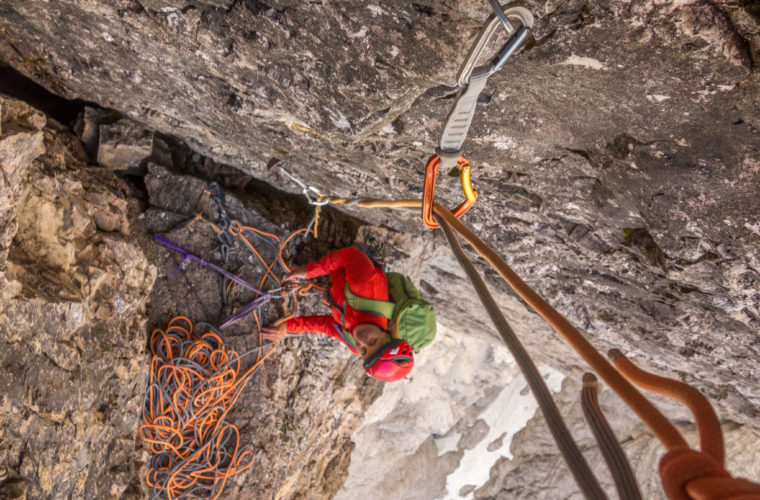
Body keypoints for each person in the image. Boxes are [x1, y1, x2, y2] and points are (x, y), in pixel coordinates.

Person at [261, 246, 414, 381]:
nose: (362, 341)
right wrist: (309, 271)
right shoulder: (366, 287)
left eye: (364, 351)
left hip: (338, 294)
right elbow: (349, 254)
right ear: (387, 334)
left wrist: (287, 327)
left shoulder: (355, 344)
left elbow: (327, 326)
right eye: (373, 342)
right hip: (351, 271)